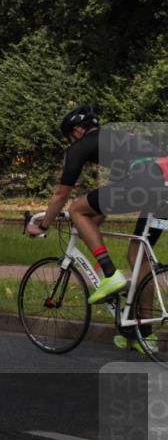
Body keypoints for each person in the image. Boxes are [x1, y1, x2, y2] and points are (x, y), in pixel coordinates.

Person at [25, 105, 168, 351]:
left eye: (70, 136)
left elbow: (61, 195)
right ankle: (144, 336)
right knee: (139, 257)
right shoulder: (120, 140)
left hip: (146, 181)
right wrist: (90, 225)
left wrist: (43, 224)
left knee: (77, 207)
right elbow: (108, 202)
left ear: (78, 130)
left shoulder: (82, 145)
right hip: (162, 183)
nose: (71, 141)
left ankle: (110, 275)